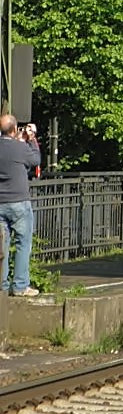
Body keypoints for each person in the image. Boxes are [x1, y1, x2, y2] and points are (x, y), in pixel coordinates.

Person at [0, 114, 42, 297]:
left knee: (2, 246)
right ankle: (20, 286)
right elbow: (35, 161)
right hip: (19, 202)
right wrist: (31, 139)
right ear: (14, 129)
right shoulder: (21, 147)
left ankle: (1, 285)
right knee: (23, 244)